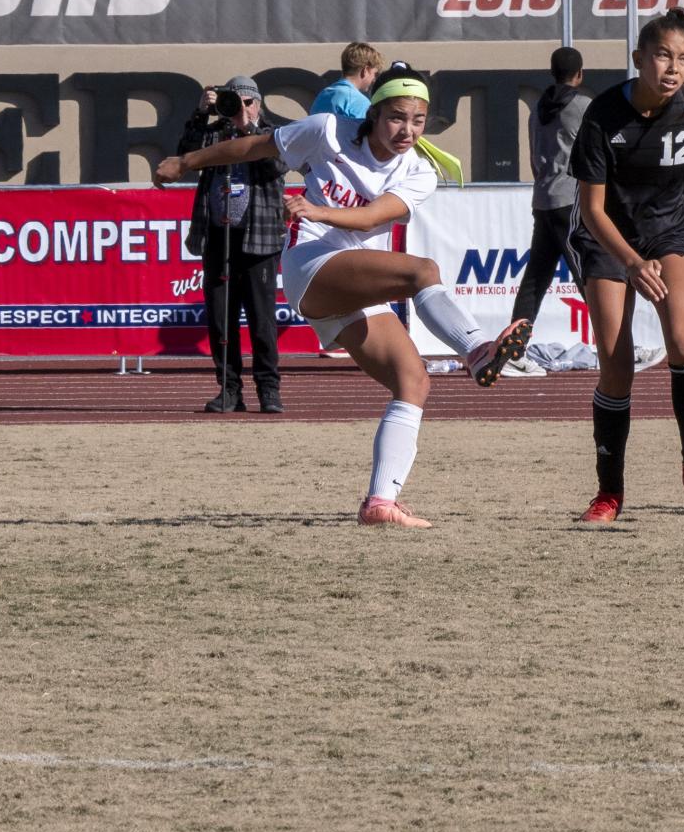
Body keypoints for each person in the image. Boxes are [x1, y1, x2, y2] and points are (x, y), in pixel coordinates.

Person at [154, 65, 533, 527]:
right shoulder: (328, 129)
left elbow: (373, 215)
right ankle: (476, 351)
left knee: (413, 384)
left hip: (353, 286)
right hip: (311, 264)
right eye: (396, 117)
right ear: (373, 114)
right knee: (423, 272)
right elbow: (255, 146)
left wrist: (320, 209)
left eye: (417, 120)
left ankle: (379, 503)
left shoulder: (419, 172)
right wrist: (187, 162)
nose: (407, 130)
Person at [567, 9, 684, 523]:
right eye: (663, 55)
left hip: (670, 231)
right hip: (608, 239)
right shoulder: (601, 116)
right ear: (639, 58)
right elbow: (592, 210)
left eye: (683, 59)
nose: (672, 68)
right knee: (617, 368)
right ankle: (609, 492)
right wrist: (630, 261)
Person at [176, 76, 286, 415]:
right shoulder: (215, 134)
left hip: (260, 236)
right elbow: (184, 156)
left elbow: (277, 166)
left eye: (247, 102)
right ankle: (229, 389)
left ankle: (269, 390)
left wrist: (248, 129)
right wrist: (200, 115)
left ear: (258, 104)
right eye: (234, 102)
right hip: (218, 236)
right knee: (221, 320)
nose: (241, 108)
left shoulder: (273, 134)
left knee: (261, 319)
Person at [504, 47, 592, 376]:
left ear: (551, 72)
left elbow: (531, 158)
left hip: (542, 200)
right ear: (580, 74)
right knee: (591, 275)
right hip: (571, 202)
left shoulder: (537, 109)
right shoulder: (584, 106)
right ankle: (617, 346)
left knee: (535, 280)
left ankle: (514, 351)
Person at [310, 42, 385, 121]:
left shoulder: (323, 95)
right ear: (365, 70)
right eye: (374, 74)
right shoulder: (359, 102)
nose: (374, 79)